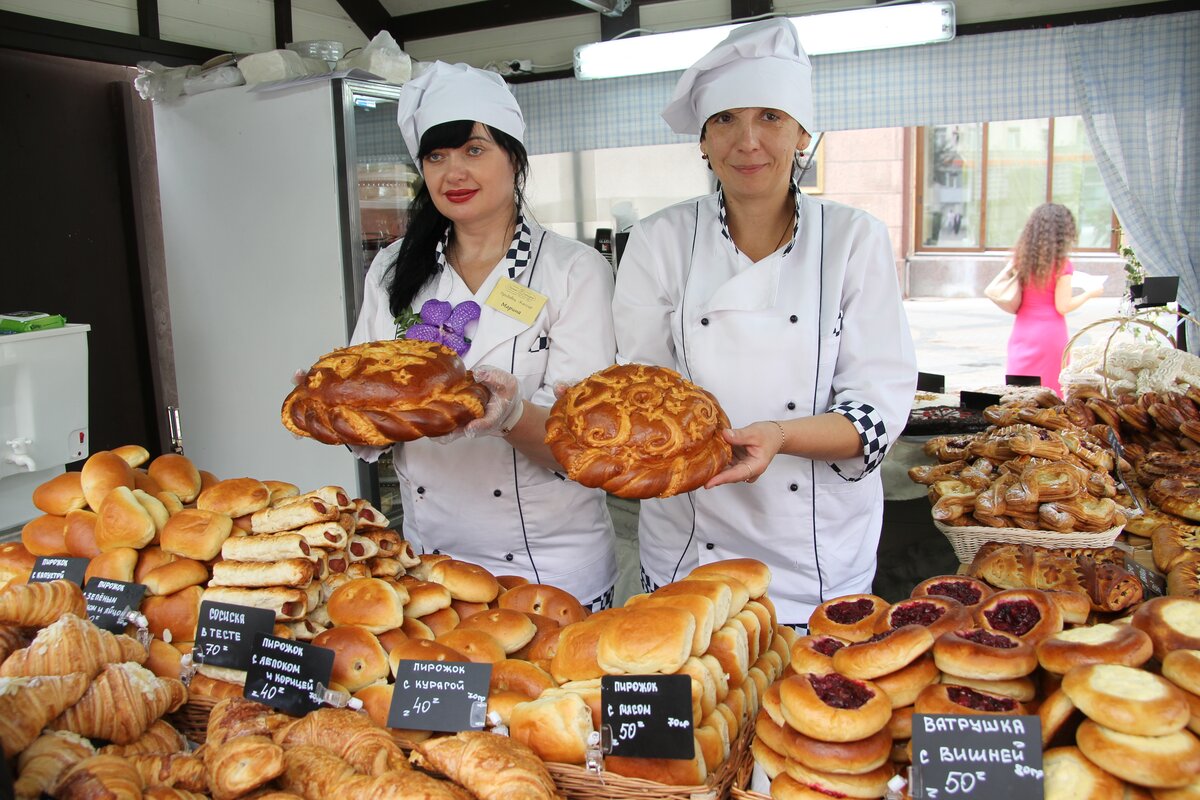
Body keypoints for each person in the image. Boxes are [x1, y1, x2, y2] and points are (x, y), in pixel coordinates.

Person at [612, 19, 917, 627]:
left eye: (770, 117)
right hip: (689, 545)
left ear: (803, 132)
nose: (747, 141)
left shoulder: (854, 240)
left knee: (812, 713)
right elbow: (640, 390)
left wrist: (779, 435)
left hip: (817, 553)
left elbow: (878, 410)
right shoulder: (659, 240)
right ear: (702, 141)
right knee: (699, 707)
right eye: (725, 120)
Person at [350, 62, 619, 609]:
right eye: (437, 156)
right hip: (432, 557)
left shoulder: (571, 271)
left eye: (474, 150)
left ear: (515, 157)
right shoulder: (394, 268)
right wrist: (348, 413)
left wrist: (511, 417)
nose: (454, 173)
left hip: (549, 563)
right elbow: (369, 387)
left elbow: (586, 438)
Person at [1005, 203, 1101, 394]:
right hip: (1050, 334)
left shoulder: (1020, 259)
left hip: (1022, 330)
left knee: (1018, 392)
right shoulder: (1061, 264)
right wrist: (1090, 293)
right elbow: (1063, 306)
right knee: (1049, 395)